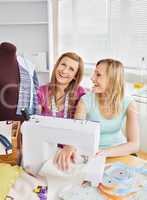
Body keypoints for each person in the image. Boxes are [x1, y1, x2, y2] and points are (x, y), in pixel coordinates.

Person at [55, 58, 140, 170]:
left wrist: (104, 153)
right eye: (94, 73)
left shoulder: (129, 103)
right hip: (91, 153)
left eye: (98, 75)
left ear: (112, 80)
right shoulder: (85, 101)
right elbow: (77, 132)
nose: (92, 78)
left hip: (118, 151)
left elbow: (134, 144)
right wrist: (70, 146)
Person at [37, 52, 86, 169]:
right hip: (47, 148)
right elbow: (36, 123)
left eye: (71, 69)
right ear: (57, 65)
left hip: (71, 148)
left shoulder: (80, 93)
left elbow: (81, 125)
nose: (64, 71)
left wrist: (71, 145)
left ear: (75, 75)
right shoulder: (41, 91)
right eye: (63, 64)